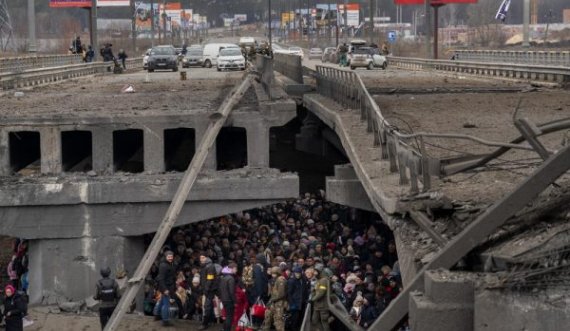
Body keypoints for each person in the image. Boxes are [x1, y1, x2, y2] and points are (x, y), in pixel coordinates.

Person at [262, 266, 287, 331]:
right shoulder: (274, 280)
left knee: (278, 320)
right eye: (272, 273)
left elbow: (281, 294)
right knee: (267, 317)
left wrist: (272, 300)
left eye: (274, 273)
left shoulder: (281, 280)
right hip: (273, 302)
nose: (273, 275)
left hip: (279, 303)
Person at [156, 251, 176, 327]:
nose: (170, 258)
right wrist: (165, 289)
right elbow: (161, 279)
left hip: (168, 286)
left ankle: (157, 315)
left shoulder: (169, 264)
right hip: (166, 287)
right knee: (166, 304)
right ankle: (165, 321)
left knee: (162, 301)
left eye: (171, 256)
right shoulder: (164, 266)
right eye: (169, 257)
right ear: (165, 257)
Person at [198, 254, 218, 330]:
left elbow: (210, 279)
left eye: (203, 257)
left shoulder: (210, 266)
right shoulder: (204, 266)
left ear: (207, 258)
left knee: (207, 306)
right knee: (209, 306)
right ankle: (211, 320)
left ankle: (204, 324)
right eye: (200, 258)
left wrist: (206, 289)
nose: (201, 259)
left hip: (210, 289)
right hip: (207, 289)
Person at [219, 263, 237, 331]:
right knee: (229, 317)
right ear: (231, 269)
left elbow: (220, 289)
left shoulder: (223, 277)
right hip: (229, 300)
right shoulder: (231, 279)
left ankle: (224, 329)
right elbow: (231, 292)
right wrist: (235, 301)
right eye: (235, 268)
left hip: (224, 299)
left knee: (226, 316)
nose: (236, 270)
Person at [286, 266, 305, 330]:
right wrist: (291, 303)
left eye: (299, 273)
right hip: (294, 303)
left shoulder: (303, 280)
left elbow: (304, 291)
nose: (297, 275)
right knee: (294, 319)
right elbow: (289, 293)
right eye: (296, 273)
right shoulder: (291, 281)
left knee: (299, 318)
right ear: (294, 273)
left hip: (301, 302)